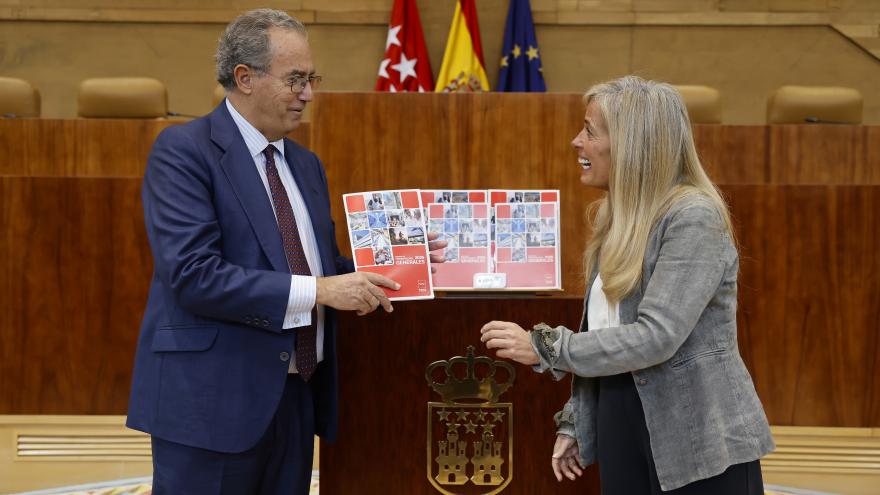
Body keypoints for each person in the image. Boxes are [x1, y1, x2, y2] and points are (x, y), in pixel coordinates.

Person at [126, 9, 444, 494]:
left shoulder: (305, 164)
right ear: (244, 78)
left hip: (294, 400)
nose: (309, 94)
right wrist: (321, 289)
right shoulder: (184, 151)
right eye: (296, 79)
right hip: (211, 405)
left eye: (311, 78)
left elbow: (322, 268)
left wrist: (406, 263)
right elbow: (193, 275)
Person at [480, 76, 773, 494]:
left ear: (632, 144)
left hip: (697, 440)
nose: (575, 142)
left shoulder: (694, 218)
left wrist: (545, 347)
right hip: (623, 424)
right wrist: (577, 421)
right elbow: (604, 334)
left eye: (589, 131)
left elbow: (655, 337)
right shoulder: (615, 218)